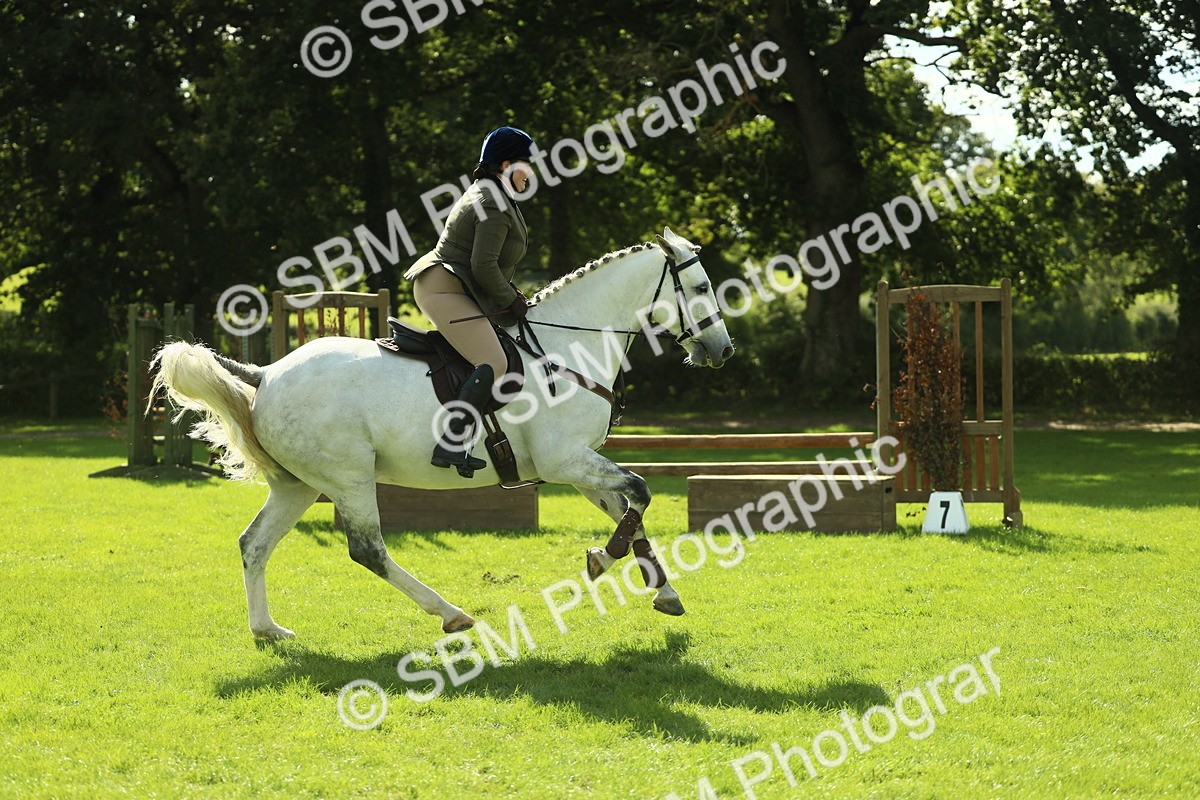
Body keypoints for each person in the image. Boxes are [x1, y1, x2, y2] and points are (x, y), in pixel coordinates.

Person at [404, 126, 535, 477]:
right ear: (505, 164)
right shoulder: (491, 201)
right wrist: (511, 298)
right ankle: (451, 441)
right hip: (443, 289)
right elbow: (483, 266)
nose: (532, 172)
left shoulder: (498, 195)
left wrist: (511, 296)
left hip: (458, 287)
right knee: (493, 359)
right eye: (526, 163)